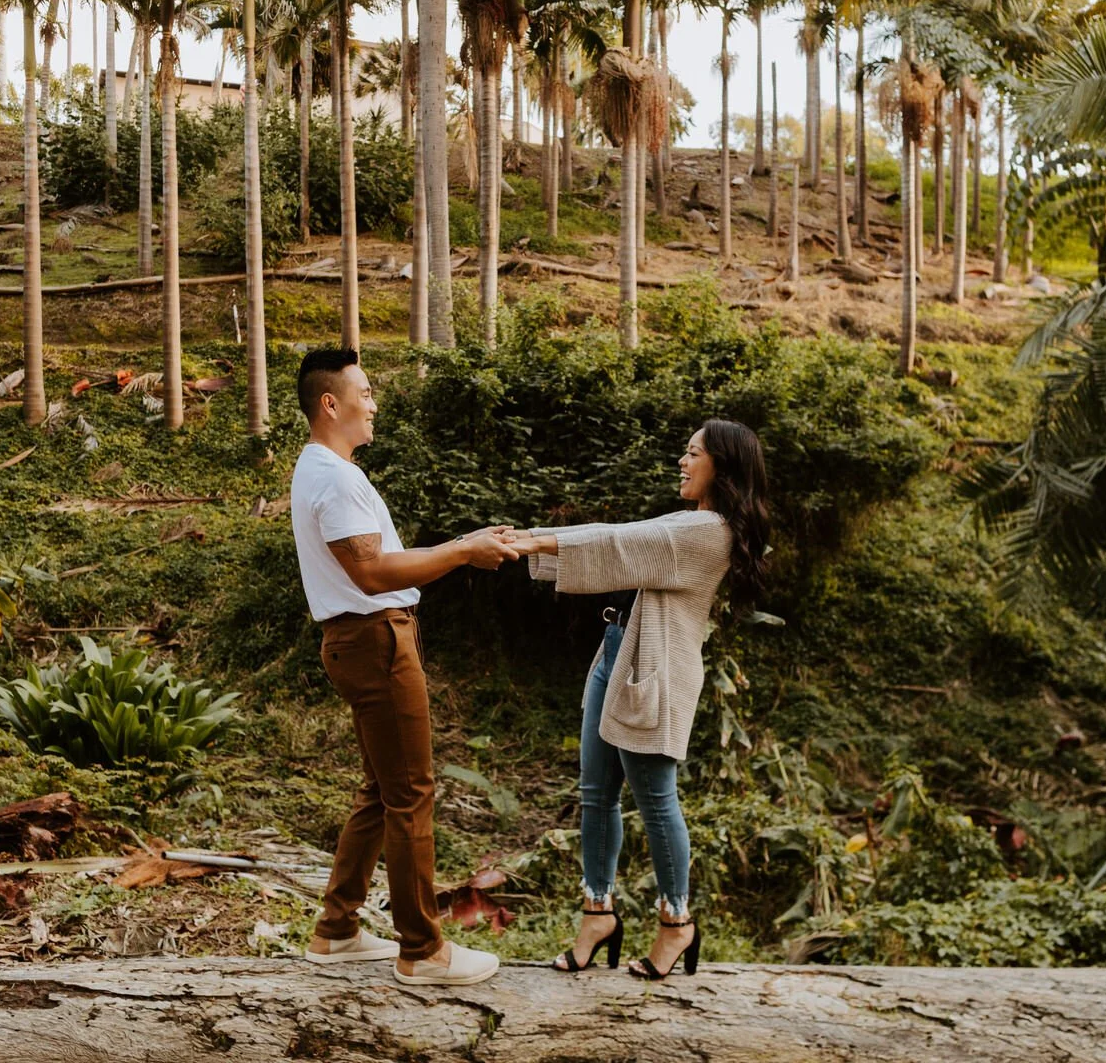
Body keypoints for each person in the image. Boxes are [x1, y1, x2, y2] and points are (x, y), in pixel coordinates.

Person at [512, 419, 770, 981]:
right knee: (596, 792)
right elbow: (620, 535)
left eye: (692, 452)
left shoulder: (709, 532)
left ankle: (677, 924)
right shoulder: (688, 521)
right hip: (618, 657)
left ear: (721, 465)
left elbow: (618, 542)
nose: (682, 460)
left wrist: (530, 540)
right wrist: (529, 538)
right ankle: (597, 914)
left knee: (656, 799)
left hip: (655, 673)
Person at [290, 347, 517, 987]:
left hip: (365, 640)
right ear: (331, 404)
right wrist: (461, 551)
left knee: (381, 788)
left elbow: (375, 564)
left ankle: (336, 930)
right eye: (365, 391)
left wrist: (465, 546)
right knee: (412, 792)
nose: (374, 401)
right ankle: (422, 950)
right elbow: (370, 572)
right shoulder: (333, 478)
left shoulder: (325, 470)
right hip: (375, 642)